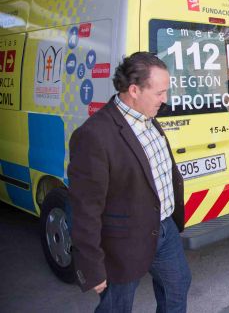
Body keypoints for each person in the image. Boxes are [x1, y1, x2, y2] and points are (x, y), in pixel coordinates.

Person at [69, 52, 191, 312]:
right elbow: (85, 209)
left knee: (178, 286)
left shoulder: (147, 116)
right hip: (124, 242)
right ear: (134, 90)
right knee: (117, 306)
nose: (165, 99)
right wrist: (92, 266)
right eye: (159, 93)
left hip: (165, 228)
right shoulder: (94, 135)